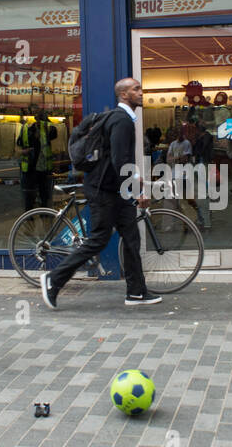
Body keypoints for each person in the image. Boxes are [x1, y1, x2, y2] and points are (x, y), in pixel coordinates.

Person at [41, 78, 161, 309]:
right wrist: (136, 191)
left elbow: (119, 161)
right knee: (98, 240)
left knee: (131, 238)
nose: (141, 92)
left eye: (140, 88)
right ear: (124, 94)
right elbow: (119, 161)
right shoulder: (121, 120)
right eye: (136, 89)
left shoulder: (123, 119)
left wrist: (135, 182)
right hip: (104, 192)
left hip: (115, 191)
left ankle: (136, 292)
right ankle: (53, 281)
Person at [17, 107, 59, 211]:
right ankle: (29, 216)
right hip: (30, 168)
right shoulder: (26, 128)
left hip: (43, 168)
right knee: (29, 196)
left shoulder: (47, 128)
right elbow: (17, 147)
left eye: (38, 115)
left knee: (44, 195)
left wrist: (45, 120)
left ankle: (44, 214)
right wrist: (24, 151)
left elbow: (54, 132)